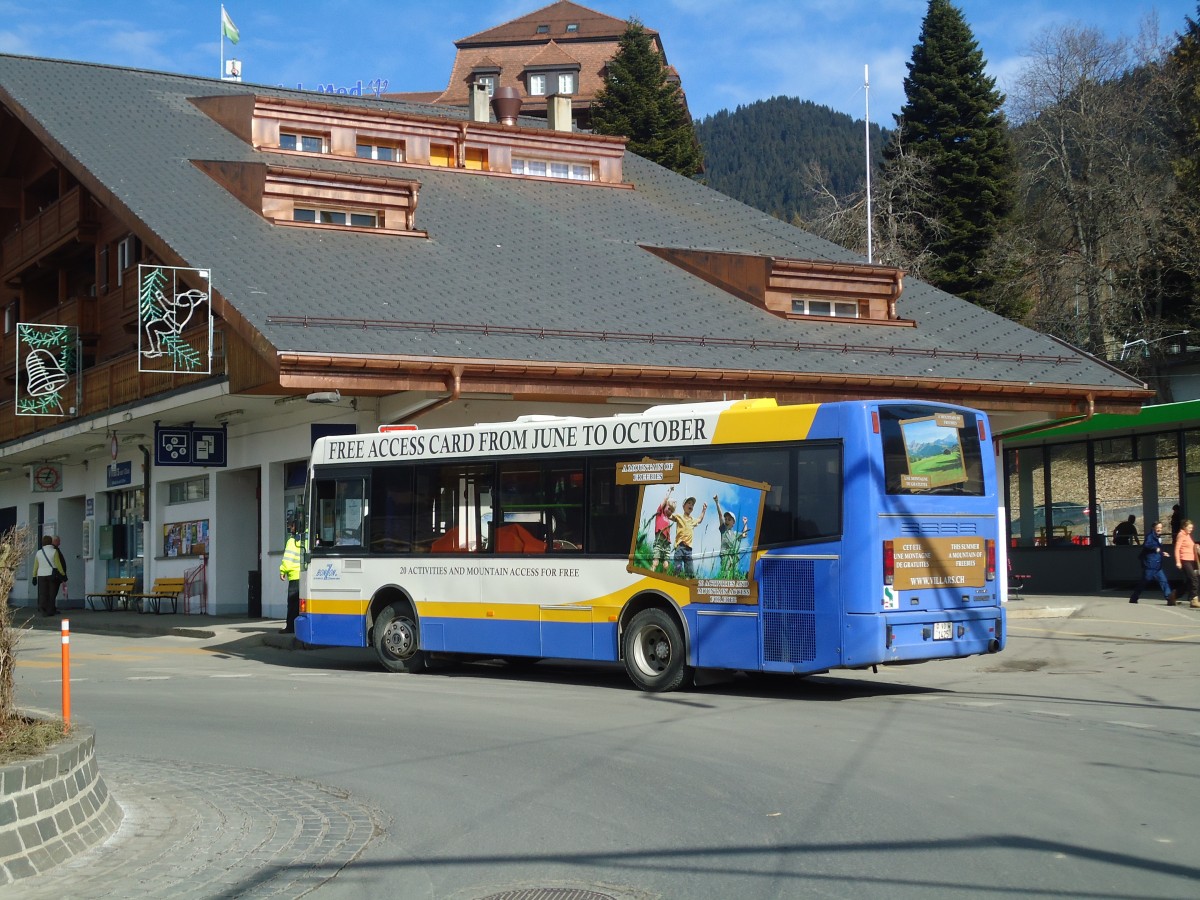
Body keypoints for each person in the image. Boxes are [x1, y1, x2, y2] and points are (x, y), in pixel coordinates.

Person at [1130, 522, 1172, 604]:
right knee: (1145, 580)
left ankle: (1170, 598)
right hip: (1150, 564)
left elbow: (1157, 550)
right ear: (1153, 528)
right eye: (1158, 527)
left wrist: (1162, 553)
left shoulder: (1158, 537)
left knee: (1163, 581)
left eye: (1161, 527)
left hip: (1157, 564)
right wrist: (1155, 548)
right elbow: (1147, 545)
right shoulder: (1150, 536)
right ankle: (1134, 597)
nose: (1159, 529)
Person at [278, 515, 305, 633]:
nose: (290, 527)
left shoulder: (292, 541)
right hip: (304, 575)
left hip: (294, 576)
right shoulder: (306, 539)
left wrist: (282, 571)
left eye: (291, 525)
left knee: (292, 604)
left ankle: (290, 627)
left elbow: (288, 559)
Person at [671, 495, 707, 579]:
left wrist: (703, 510)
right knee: (677, 568)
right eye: (689, 503)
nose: (691, 505)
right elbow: (669, 515)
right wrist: (669, 505)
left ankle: (688, 585)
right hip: (680, 546)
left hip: (688, 549)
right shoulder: (679, 516)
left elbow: (700, 519)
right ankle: (675, 580)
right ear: (683, 506)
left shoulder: (692, 520)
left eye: (692, 504)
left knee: (690, 572)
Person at [713, 495, 749, 577]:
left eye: (729, 519)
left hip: (734, 557)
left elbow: (744, 534)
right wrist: (717, 502)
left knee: (733, 574)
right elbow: (720, 515)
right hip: (725, 556)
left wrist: (745, 523)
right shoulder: (723, 530)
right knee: (725, 573)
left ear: (733, 523)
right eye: (726, 519)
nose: (726, 521)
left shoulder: (736, 534)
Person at [31, 535, 65, 616]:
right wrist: (63, 574)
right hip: (51, 575)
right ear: (51, 542)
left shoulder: (39, 552)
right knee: (52, 593)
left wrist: (34, 576)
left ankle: (43, 609)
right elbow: (58, 564)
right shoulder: (54, 551)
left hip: (41, 575)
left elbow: (36, 566)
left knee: (43, 593)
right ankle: (50, 610)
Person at [1172, 519, 1200, 609]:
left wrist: (1196, 546)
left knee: (1189, 582)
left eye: (1192, 528)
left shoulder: (1188, 536)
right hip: (1185, 560)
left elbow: (1191, 547)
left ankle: (1173, 596)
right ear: (1184, 527)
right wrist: (1178, 561)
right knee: (1194, 579)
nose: (1191, 529)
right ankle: (1194, 600)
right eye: (1190, 527)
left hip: (1191, 560)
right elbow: (1177, 549)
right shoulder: (1181, 535)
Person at [651, 487, 676, 573]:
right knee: (656, 560)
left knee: (666, 564)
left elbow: (677, 519)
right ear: (665, 506)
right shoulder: (659, 513)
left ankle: (664, 577)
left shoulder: (668, 519)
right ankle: (652, 572)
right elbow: (665, 500)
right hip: (659, 540)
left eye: (672, 511)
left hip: (667, 543)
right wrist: (669, 491)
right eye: (669, 508)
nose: (670, 511)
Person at [51, 535, 68, 603]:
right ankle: (51, 608)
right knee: (53, 592)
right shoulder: (55, 550)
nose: (59, 543)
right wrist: (63, 574)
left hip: (55, 574)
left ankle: (51, 607)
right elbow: (58, 563)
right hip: (56, 574)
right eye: (58, 541)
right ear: (55, 541)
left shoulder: (54, 549)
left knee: (53, 592)